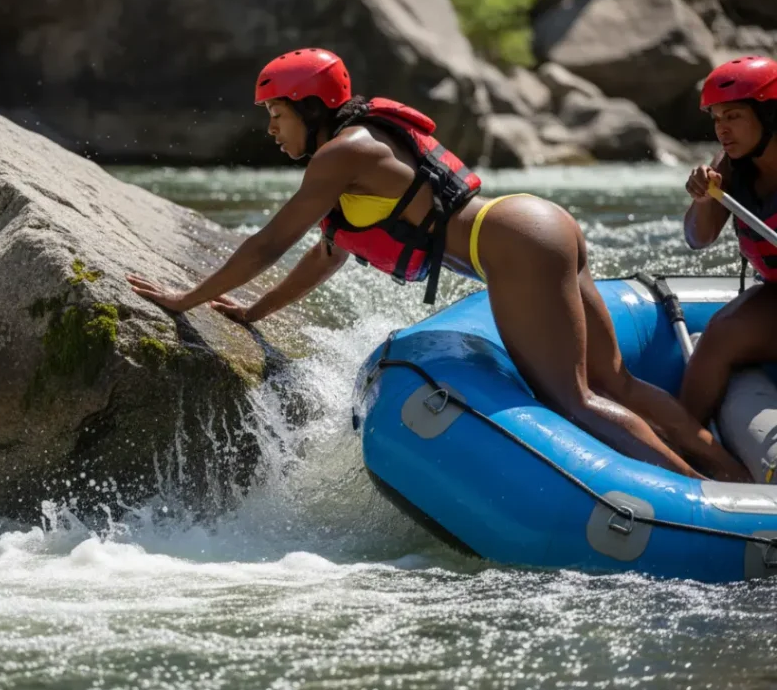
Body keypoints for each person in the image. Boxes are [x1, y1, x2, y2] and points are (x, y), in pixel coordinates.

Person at [127, 47, 748, 481]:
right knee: (616, 386)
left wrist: (183, 300)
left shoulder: (339, 156)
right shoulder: (365, 145)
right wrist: (252, 311)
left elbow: (268, 242)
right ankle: (736, 475)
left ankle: (700, 492)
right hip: (537, 222)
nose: (271, 131)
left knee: (576, 400)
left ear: (312, 111)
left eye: (277, 115)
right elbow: (326, 254)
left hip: (512, 245)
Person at [682, 56, 777, 433]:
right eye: (717, 119)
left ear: (770, 115)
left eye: (734, 116)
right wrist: (705, 200)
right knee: (722, 331)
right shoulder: (730, 167)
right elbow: (697, 239)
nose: (722, 130)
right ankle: (684, 445)